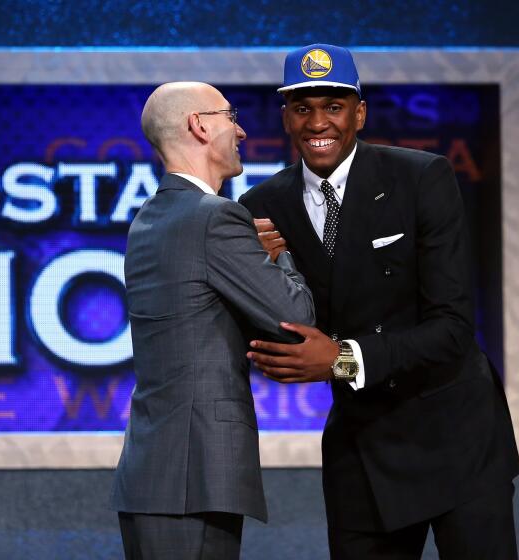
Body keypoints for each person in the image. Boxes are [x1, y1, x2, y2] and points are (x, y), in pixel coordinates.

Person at [239, 44, 519, 559]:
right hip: (362, 443)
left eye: (333, 106)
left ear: (359, 113)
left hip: (455, 432)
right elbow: (272, 331)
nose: (317, 121)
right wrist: (257, 269)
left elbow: (453, 327)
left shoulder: (420, 178)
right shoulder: (260, 207)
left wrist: (343, 358)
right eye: (302, 108)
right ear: (285, 118)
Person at [110, 81, 315, 560]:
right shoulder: (214, 217)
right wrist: (279, 257)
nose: (240, 130)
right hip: (193, 476)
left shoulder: (151, 217)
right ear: (199, 126)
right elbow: (294, 318)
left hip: (155, 471)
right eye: (230, 116)